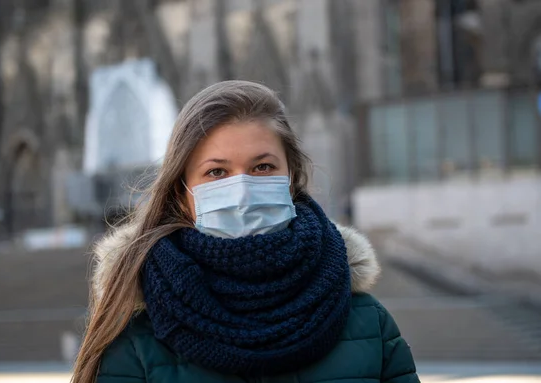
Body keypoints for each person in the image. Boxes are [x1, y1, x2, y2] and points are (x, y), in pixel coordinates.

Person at [72, 81, 419, 383]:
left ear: (291, 178)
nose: (241, 191)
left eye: (262, 167)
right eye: (217, 173)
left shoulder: (366, 321)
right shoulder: (137, 334)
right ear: (181, 192)